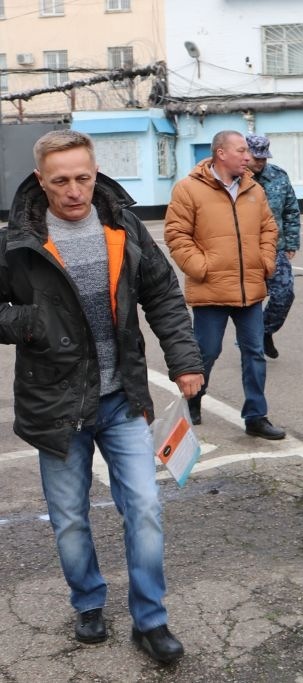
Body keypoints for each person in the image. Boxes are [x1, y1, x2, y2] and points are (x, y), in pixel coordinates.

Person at [0, 130, 205, 663]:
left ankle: (151, 620)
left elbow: (160, 292)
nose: (74, 191)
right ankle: (89, 602)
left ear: (96, 173)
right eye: (61, 180)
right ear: (41, 180)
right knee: (69, 517)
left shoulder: (122, 224)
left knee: (145, 508)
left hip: (121, 400)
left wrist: (184, 359)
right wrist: (30, 322)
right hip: (56, 405)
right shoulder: (17, 239)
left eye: (83, 178)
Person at [164, 130, 286, 440]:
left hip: (250, 290)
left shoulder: (253, 190)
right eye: (242, 151)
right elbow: (177, 235)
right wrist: (201, 267)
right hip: (211, 289)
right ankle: (194, 399)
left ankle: (256, 416)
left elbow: (269, 229)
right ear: (221, 153)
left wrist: (265, 261)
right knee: (206, 352)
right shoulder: (188, 189)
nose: (248, 157)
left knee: (255, 353)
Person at [245, 134, 301, 360]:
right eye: (255, 157)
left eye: (263, 158)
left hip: (275, 248)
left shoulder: (278, 176)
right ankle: (249, 344)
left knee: (284, 294)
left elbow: (291, 209)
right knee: (249, 300)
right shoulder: (234, 179)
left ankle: (265, 331)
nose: (259, 162)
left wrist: (291, 242)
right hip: (244, 251)